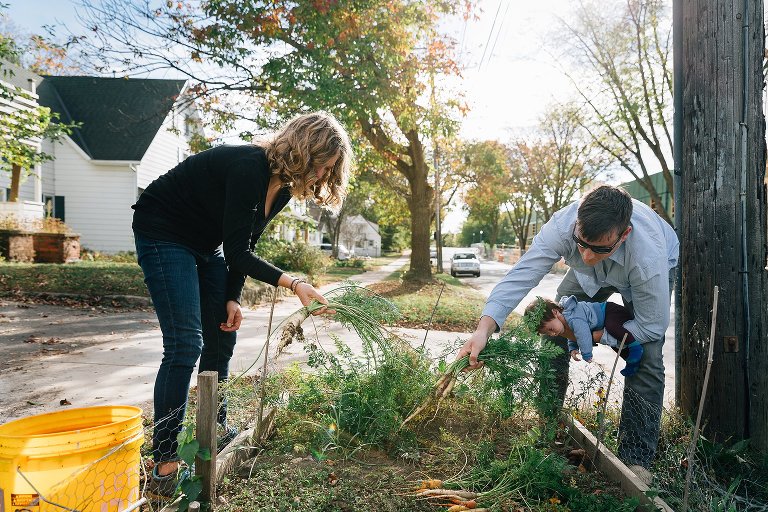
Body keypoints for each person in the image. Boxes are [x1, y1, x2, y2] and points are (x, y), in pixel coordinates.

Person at [132, 111, 352, 498]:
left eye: (327, 171)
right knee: (186, 344)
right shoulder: (247, 167)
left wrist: (232, 296)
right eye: (320, 166)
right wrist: (293, 282)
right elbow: (236, 250)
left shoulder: (281, 188)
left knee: (222, 334)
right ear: (303, 150)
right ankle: (163, 463)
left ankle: (214, 428)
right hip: (163, 230)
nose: (320, 177)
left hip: (203, 243)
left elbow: (243, 246)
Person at [457, 185, 678, 481]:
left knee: (647, 355)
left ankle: (635, 459)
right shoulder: (562, 228)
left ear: (622, 235)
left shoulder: (647, 259)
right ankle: (548, 425)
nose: (586, 256)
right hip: (588, 281)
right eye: (581, 243)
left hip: (642, 272)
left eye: (598, 248)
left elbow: (651, 327)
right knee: (553, 326)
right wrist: (483, 329)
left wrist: (598, 335)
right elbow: (522, 275)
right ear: (577, 223)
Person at [524, 296, 643, 377]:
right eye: (547, 333)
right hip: (602, 321)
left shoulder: (572, 316)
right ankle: (632, 362)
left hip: (610, 312)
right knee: (616, 345)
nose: (552, 334)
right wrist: (573, 348)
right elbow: (572, 335)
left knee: (612, 328)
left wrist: (586, 353)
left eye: (550, 329)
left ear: (555, 312)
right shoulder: (561, 324)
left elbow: (582, 333)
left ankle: (635, 346)